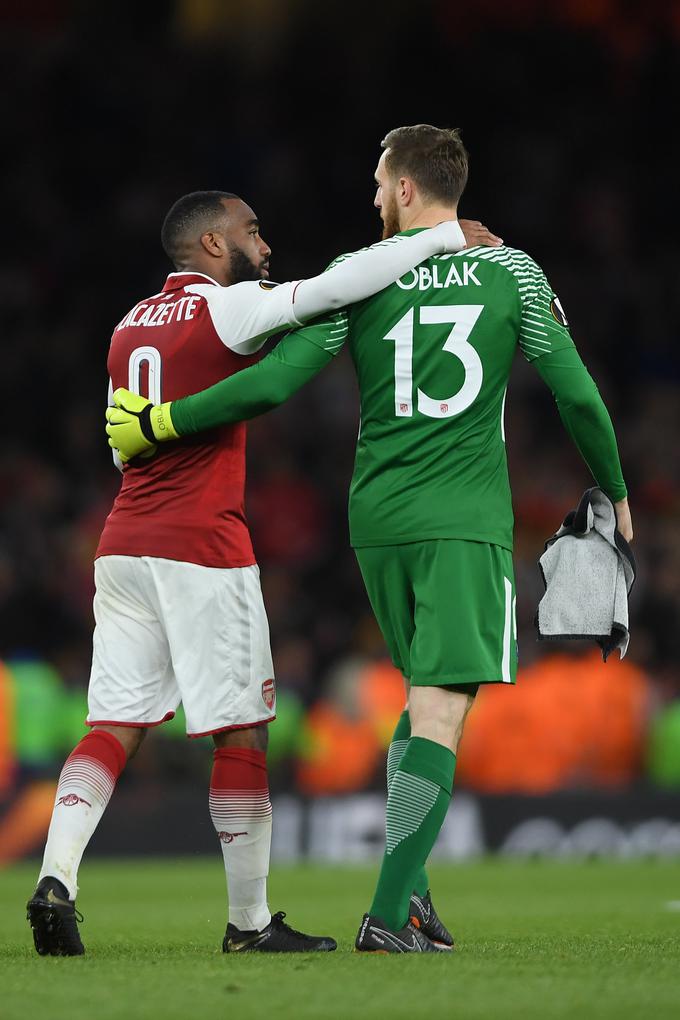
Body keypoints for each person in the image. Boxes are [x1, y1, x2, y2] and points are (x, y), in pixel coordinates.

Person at [107, 123, 631, 954]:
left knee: (422, 700)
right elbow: (577, 395)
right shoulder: (510, 270)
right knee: (442, 709)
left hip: (376, 522)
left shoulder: (359, 279)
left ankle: (414, 902)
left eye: (381, 183)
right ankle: (388, 914)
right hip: (462, 519)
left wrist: (162, 420)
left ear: (410, 189)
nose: (373, 197)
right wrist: (615, 485)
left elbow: (274, 382)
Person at [27, 188, 499, 958]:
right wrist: (441, 237)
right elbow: (333, 289)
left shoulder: (126, 326)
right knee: (241, 731)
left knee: (114, 723)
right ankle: (249, 924)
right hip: (202, 546)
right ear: (212, 245)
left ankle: (57, 879)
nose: (265, 244)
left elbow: (123, 445)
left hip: (121, 543)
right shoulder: (227, 307)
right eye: (251, 230)